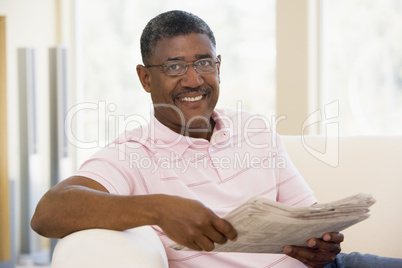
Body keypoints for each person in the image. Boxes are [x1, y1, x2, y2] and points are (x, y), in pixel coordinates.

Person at [31, 10, 402, 268]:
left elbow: (307, 216)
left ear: (218, 66)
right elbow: (49, 212)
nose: (193, 80)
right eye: (174, 67)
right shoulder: (133, 153)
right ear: (146, 79)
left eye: (204, 62)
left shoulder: (254, 129)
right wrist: (160, 208)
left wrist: (319, 245)